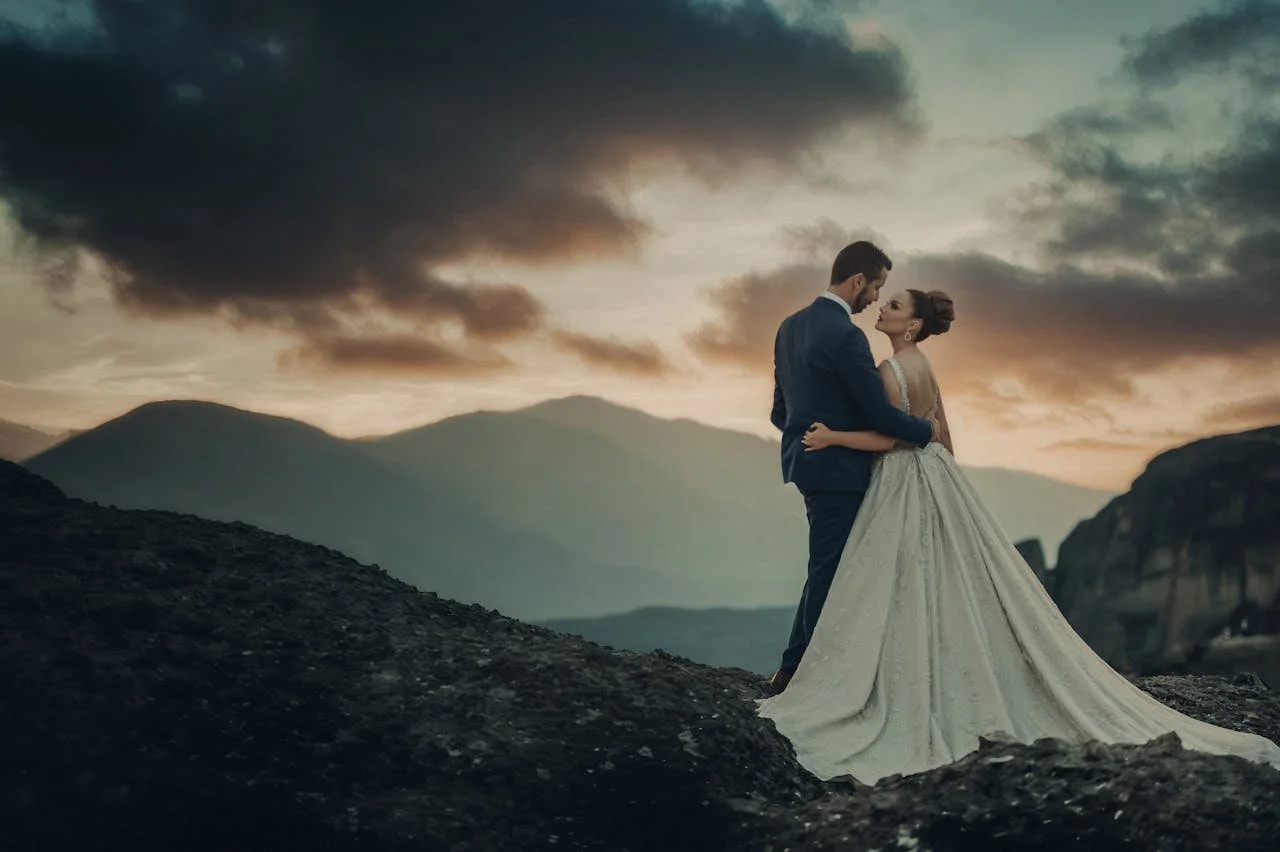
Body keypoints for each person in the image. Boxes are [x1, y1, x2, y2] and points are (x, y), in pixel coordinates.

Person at [757, 286, 1280, 783]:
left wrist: (832, 437)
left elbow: (893, 438)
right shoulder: (926, 366)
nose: (882, 309)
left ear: (913, 324)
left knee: (891, 579)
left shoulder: (891, 368)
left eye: (893, 305)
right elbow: (939, 433)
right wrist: (949, 483)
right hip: (933, 475)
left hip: (899, 478)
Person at [767, 241, 936, 696]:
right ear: (858, 281)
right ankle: (802, 674)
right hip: (840, 470)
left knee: (825, 564)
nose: (877, 298)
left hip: (805, 463)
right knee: (831, 570)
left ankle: (794, 667)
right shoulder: (846, 336)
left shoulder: (789, 327)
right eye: (877, 286)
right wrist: (925, 432)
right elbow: (879, 416)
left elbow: (779, 413)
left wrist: (809, 433)